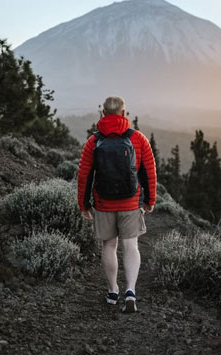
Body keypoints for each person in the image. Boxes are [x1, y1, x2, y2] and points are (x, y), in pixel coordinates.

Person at [77, 96, 156, 313]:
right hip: (130, 203)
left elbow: (84, 176)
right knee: (131, 246)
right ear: (124, 113)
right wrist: (149, 201)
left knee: (109, 246)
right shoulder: (138, 139)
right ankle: (131, 291)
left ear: (103, 113)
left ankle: (113, 291)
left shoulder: (93, 142)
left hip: (103, 203)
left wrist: (84, 205)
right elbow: (149, 173)